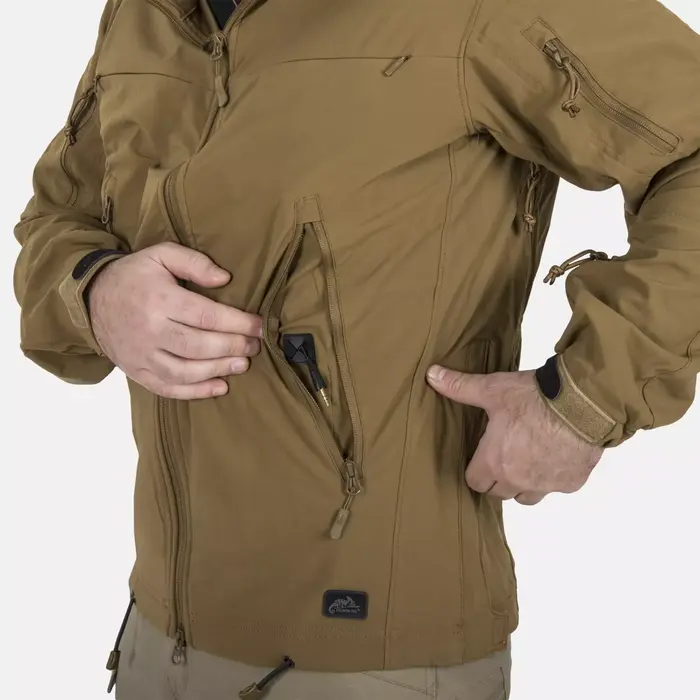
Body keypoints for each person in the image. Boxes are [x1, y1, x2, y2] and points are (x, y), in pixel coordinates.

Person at [13, 0, 700, 697]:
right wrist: (94, 291)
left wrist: (585, 400)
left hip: (374, 663)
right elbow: (58, 216)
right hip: (158, 640)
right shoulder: (144, 12)